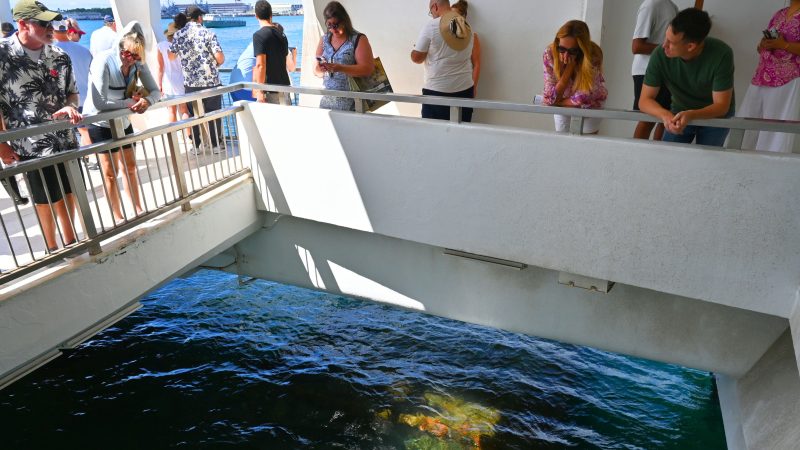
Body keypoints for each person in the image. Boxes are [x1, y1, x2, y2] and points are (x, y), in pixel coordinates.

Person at [0, 0, 83, 252]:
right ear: (23, 23)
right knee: (44, 197)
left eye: (51, 22)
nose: (51, 27)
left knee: (69, 192)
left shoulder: (60, 56)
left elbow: (72, 93)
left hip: (65, 139)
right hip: (30, 144)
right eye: (43, 22)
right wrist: (1, 144)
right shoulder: (2, 55)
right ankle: (51, 247)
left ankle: (71, 242)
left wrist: (71, 107)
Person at [82, 23, 160, 224]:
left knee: (131, 166)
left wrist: (146, 100)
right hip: (100, 123)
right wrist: (127, 103)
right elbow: (99, 102)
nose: (131, 60)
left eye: (136, 57)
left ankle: (137, 208)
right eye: (127, 54)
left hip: (122, 120)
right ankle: (117, 215)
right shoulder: (103, 61)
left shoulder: (137, 63)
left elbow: (155, 91)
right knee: (110, 172)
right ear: (120, 48)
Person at [638, 8, 734, 147]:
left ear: (690, 46)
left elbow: (721, 106)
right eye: (666, 37)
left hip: (715, 115)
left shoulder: (722, 53)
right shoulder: (659, 54)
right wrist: (665, 115)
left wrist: (692, 115)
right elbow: (645, 100)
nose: (664, 45)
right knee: (668, 158)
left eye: (671, 42)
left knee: (708, 162)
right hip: (679, 111)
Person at [738, 0, 800, 153]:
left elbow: (782, 44)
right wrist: (764, 44)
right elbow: (762, 46)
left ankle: (769, 166)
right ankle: (741, 161)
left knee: (774, 128)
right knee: (748, 121)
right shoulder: (781, 13)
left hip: (787, 79)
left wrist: (783, 45)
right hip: (762, 75)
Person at [170, 5, 225, 154]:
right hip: (210, 82)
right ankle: (215, 146)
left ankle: (196, 146)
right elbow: (220, 57)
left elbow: (171, 56)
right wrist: (215, 64)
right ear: (199, 17)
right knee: (214, 115)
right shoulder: (208, 33)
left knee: (194, 116)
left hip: (190, 84)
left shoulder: (178, 35)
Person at [411, 0, 474, 122]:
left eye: (430, 12)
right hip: (466, 90)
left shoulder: (432, 26)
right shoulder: (467, 26)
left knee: (434, 135)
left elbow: (417, 58)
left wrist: (415, 50)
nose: (432, 15)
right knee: (462, 133)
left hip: (438, 92)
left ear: (434, 7)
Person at [541, 20, 608, 134]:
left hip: (591, 103)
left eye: (573, 51)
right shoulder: (550, 53)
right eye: (561, 49)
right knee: (562, 143)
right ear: (557, 43)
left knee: (587, 145)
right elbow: (549, 96)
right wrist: (568, 69)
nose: (565, 56)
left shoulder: (593, 55)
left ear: (582, 50)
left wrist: (558, 102)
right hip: (564, 100)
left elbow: (585, 96)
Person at [313, 1, 375, 111]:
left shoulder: (358, 39)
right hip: (327, 102)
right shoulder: (324, 39)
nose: (333, 29)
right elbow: (316, 72)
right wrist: (321, 69)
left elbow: (368, 69)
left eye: (336, 24)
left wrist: (340, 68)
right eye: (329, 25)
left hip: (354, 103)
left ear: (345, 21)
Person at [631, 0, 678, 140]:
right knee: (647, 119)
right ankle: (635, 158)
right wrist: (672, 48)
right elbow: (637, 47)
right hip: (647, 70)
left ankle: (657, 157)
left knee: (666, 118)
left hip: (667, 71)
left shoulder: (671, 5)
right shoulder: (651, 5)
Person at [252, 0, 291, 104]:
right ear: (271, 14)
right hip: (285, 88)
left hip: (270, 91)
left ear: (256, 16)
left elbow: (260, 65)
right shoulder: (282, 34)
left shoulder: (259, 35)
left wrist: (260, 91)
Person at [156, 22, 189, 124]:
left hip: (167, 82)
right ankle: (189, 137)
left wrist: (159, 85)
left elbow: (160, 67)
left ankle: (173, 138)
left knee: (171, 111)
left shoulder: (160, 46)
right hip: (181, 81)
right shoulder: (182, 46)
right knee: (184, 110)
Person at [451, 0, 480, 96]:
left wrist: (474, 87)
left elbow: (477, 64)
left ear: (463, 17)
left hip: (464, 87)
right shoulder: (444, 36)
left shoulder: (472, 37)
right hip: (444, 88)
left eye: (455, 15)